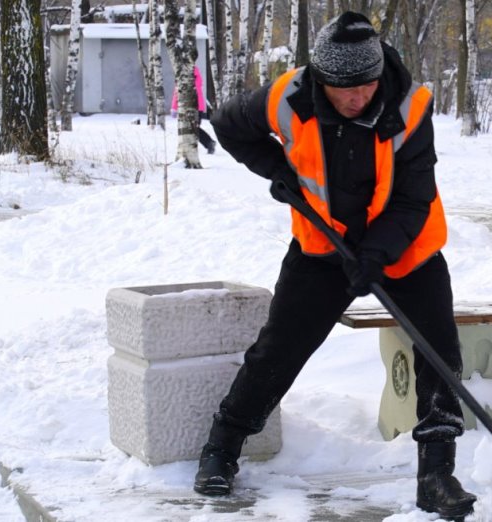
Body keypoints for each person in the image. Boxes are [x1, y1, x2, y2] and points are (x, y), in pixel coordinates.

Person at [195, 12, 477, 520]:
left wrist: (375, 255)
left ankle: (437, 473)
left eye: (366, 86)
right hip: (322, 250)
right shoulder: (289, 96)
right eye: (344, 90)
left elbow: (413, 199)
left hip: (406, 249)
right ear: (320, 80)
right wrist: (275, 168)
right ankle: (222, 447)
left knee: (438, 354)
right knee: (278, 349)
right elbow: (229, 126)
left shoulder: (411, 108)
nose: (357, 98)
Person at [171, 66, 216, 154]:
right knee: (192, 128)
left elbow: (178, 92)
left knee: (193, 128)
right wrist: (174, 107)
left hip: (194, 107)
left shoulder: (189, 77)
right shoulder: (189, 76)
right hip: (192, 107)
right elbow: (177, 92)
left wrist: (174, 107)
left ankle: (209, 142)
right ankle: (207, 143)